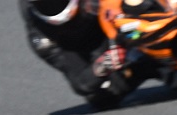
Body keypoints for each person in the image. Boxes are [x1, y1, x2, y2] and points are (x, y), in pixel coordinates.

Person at [19, 0, 159, 109]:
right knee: (99, 97)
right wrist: (104, 64)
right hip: (90, 43)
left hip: (110, 13)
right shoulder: (43, 39)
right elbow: (80, 82)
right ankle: (149, 63)